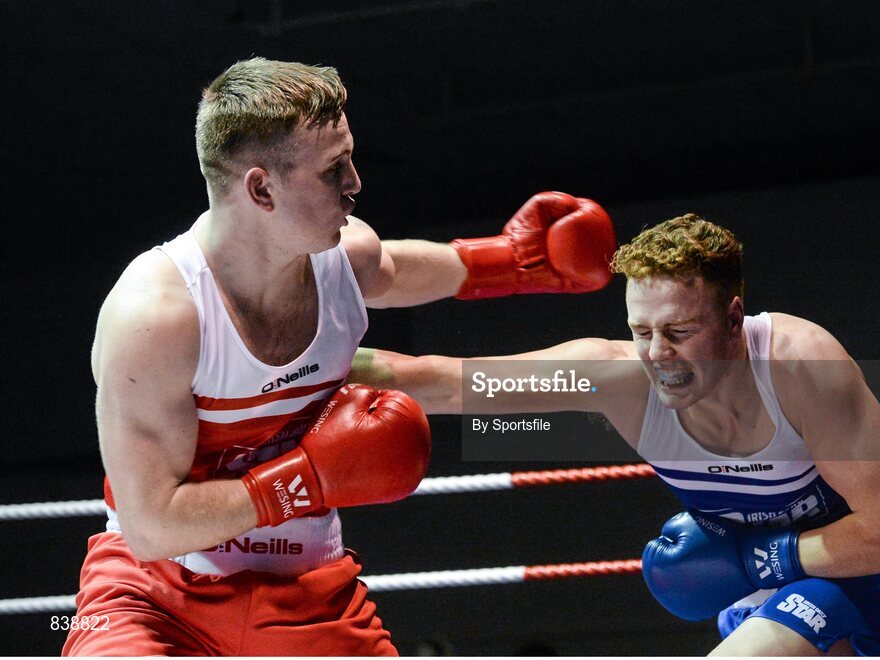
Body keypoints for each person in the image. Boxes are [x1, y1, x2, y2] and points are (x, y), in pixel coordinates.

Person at [63, 57, 616, 656]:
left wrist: (516, 261)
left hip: (310, 593)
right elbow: (151, 527)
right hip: (154, 597)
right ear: (260, 188)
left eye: (349, 157)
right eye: (333, 169)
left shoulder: (345, 259)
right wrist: (303, 478)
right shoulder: (157, 317)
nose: (355, 183)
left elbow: (403, 272)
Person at [349, 214, 880, 656]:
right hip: (773, 593)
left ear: (734, 317)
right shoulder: (615, 378)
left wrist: (756, 560)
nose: (658, 354)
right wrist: (299, 360)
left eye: (679, 330)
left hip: (878, 584)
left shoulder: (801, 367)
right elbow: (448, 383)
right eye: (642, 331)